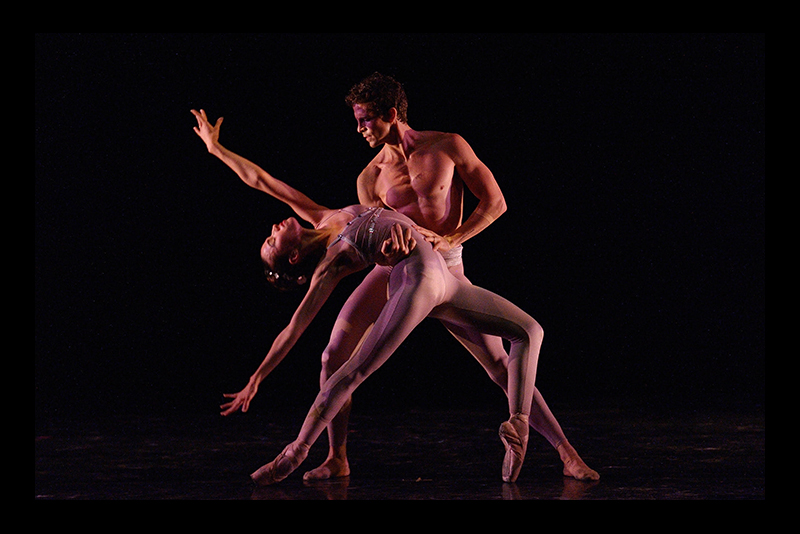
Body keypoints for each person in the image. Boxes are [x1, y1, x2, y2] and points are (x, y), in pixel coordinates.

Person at [192, 108, 542, 484]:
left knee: (528, 331)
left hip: (445, 276)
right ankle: (297, 451)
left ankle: (518, 423)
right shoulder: (330, 264)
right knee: (351, 369)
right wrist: (257, 377)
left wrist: (216, 150)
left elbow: (261, 180)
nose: (273, 228)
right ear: (293, 257)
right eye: (270, 241)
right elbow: (293, 330)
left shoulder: (321, 216)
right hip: (418, 280)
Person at [305, 73, 598, 482]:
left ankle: (566, 453)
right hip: (395, 273)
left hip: (446, 268)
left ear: (391, 114)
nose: (359, 129)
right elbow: (374, 239)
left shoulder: (447, 146)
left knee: (500, 365)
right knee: (332, 356)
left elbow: (495, 201)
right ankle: (337, 457)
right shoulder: (370, 178)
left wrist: (452, 238)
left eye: (365, 119)